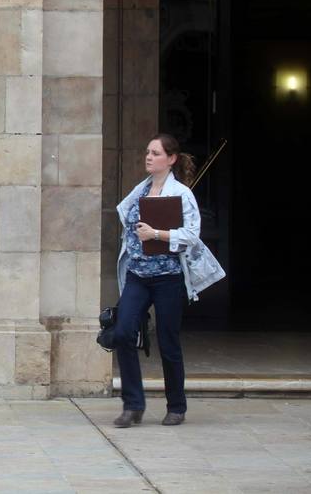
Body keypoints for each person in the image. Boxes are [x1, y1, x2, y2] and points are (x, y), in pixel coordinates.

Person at [111, 134, 225, 429]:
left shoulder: (182, 194)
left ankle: (176, 406)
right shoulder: (141, 189)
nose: (148, 157)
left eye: (155, 153)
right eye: (147, 152)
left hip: (167, 279)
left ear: (171, 159)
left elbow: (191, 235)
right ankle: (133, 405)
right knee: (123, 332)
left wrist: (158, 235)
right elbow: (125, 216)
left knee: (168, 341)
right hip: (138, 274)